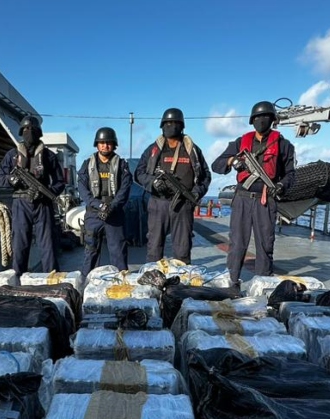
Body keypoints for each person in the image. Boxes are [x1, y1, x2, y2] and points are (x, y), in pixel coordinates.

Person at [211, 101, 296, 287]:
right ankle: (232, 282)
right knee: (236, 244)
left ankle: (262, 284)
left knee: (265, 245)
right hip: (242, 199)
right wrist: (233, 161)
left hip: (265, 200)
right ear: (252, 120)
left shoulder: (283, 145)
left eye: (265, 117)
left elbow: (291, 173)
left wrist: (281, 185)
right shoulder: (241, 142)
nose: (261, 120)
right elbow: (216, 164)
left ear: (272, 120)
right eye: (257, 117)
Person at [134, 108, 211, 263]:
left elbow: (205, 175)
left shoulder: (192, 150)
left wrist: (196, 193)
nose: (171, 126)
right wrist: (153, 183)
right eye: (168, 123)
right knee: (154, 248)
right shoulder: (154, 149)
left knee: (182, 249)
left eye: (175, 123)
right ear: (162, 125)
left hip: (183, 204)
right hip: (158, 204)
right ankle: (153, 280)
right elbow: (138, 173)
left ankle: (180, 283)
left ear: (181, 126)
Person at [0, 115, 66, 274]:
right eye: (26, 129)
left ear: (39, 132)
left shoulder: (48, 156)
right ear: (21, 131)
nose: (29, 132)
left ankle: (52, 279)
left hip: (43, 203)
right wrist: (12, 180)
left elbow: (59, 182)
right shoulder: (12, 155)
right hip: (21, 203)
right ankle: (18, 279)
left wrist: (47, 193)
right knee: (20, 244)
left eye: (32, 129)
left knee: (48, 245)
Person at [77, 127, 132, 276]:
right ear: (96, 144)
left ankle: (122, 283)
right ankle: (86, 282)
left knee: (118, 252)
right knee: (90, 251)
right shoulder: (87, 164)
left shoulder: (121, 165)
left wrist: (112, 206)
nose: (105, 145)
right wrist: (98, 205)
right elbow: (82, 188)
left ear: (114, 145)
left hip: (114, 213)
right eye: (101, 142)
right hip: (94, 213)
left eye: (108, 143)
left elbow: (125, 188)